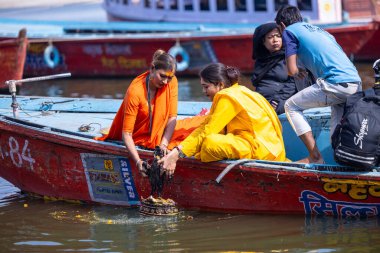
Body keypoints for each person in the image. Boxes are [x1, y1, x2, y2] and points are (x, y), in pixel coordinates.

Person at [159, 63, 287, 176]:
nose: (204, 91)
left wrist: (176, 155)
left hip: (261, 150)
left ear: (220, 85)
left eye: (206, 86)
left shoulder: (226, 97)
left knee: (209, 143)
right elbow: (206, 125)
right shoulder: (240, 90)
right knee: (203, 139)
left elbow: (206, 131)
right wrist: (181, 149)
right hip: (272, 148)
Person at [275, 5, 362, 164]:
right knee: (336, 134)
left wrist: (296, 71)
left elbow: (291, 69)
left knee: (291, 106)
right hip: (355, 83)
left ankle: (315, 156)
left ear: (281, 26)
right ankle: (343, 167)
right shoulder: (322, 32)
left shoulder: (289, 31)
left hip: (335, 84)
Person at [96, 49, 179, 176]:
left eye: (169, 78)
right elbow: (127, 134)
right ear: (152, 69)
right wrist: (138, 161)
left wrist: (163, 144)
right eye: (162, 76)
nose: (165, 82)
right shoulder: (136, 91)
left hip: (161, 136)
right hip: (137, 137)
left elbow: (172, 117)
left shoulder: (171, 82)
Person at [251, 22, 313, 114]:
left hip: (283, 101)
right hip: (262, 101)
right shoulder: (261, 61)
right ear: (263, 41)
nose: (275, 40)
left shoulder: (291, 57)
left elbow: (296, 81)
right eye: (270, 37)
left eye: (278, 36)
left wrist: (276, 100)